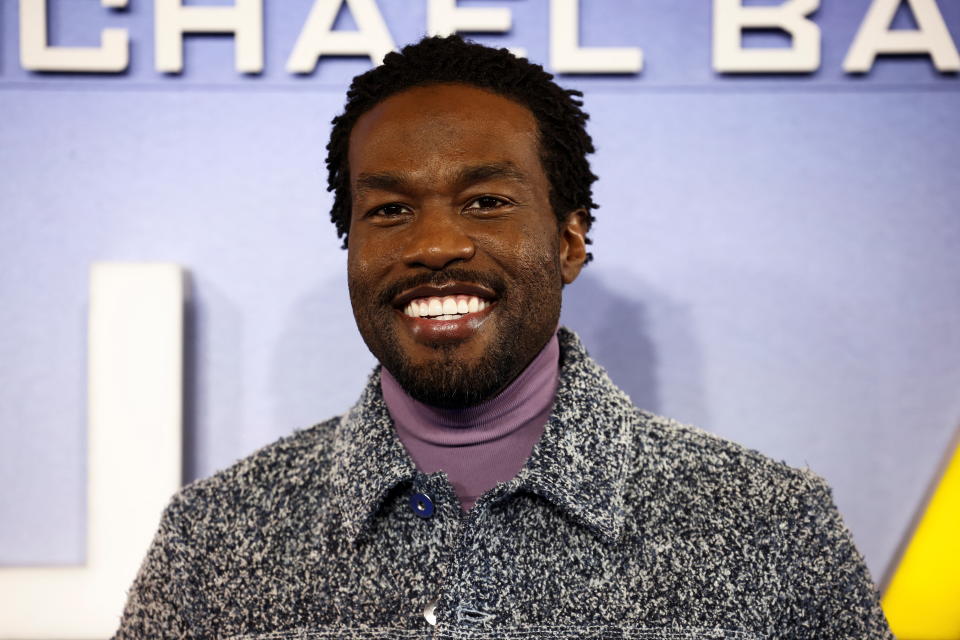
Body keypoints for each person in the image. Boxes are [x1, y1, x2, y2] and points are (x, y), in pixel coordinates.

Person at [113, 36, 893, 639]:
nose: (435, 244)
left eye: (485, 201)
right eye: (388, 211)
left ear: (570, 240)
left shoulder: (766, 523)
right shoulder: (216, 536)